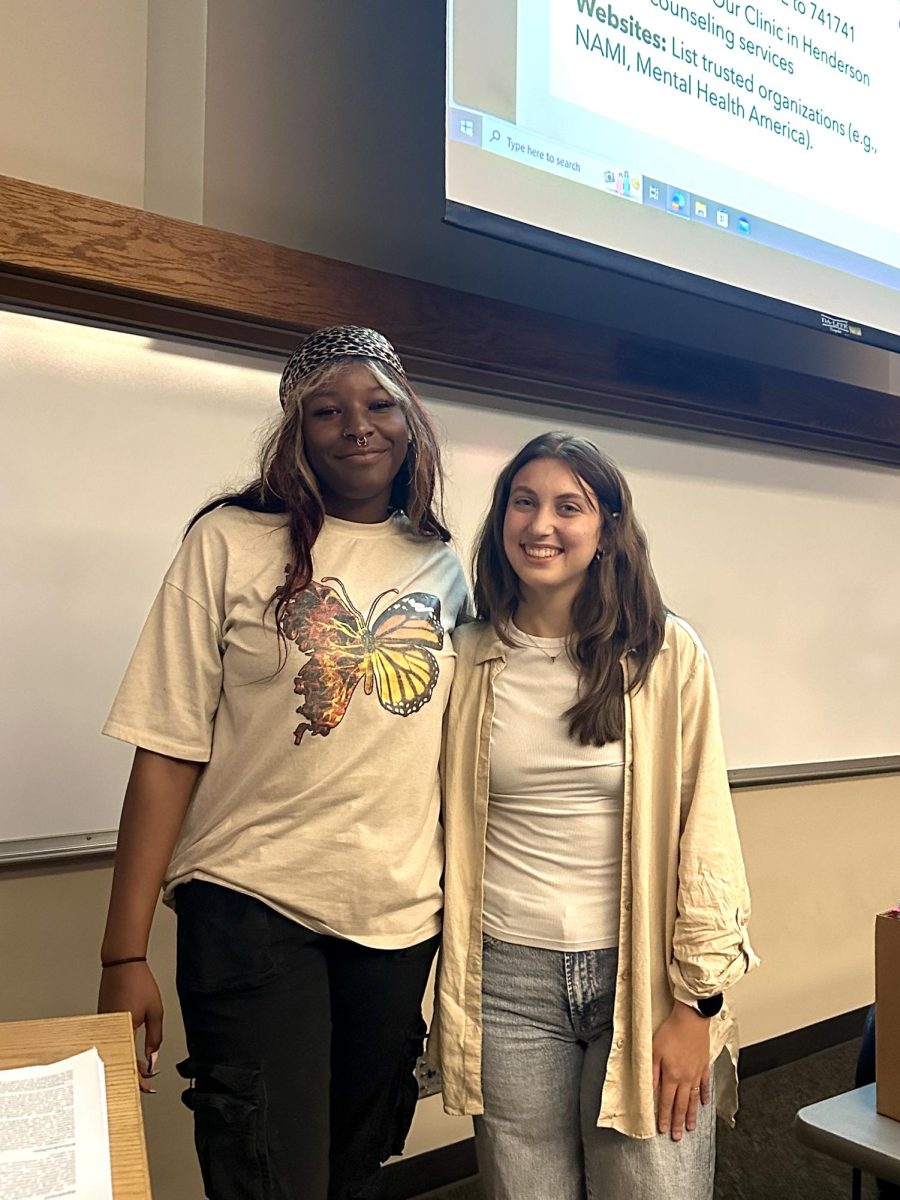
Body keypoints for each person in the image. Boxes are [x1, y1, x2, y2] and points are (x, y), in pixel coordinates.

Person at [97, 326, 470, 1200]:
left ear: (412, 421)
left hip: (398, 922)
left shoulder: (448, 567)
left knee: (352, 1167)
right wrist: (123, 954)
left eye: (379, 404)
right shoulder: (228, 542)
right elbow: (166, 747)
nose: (357, 426)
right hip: (251, 908)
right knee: (268, 1175)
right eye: (326, 411)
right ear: (293, 433)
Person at [433, 432, 757, 1200]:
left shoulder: (664, 655)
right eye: (524, 501)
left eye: (568, 507)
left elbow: (706, 834)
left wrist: (697, 1005)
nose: (540, 524)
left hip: (641, 975)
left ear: (606, 529)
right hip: (507, 982)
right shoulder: (466, 657)